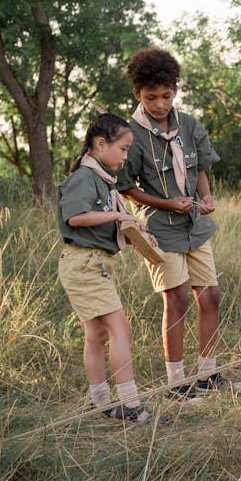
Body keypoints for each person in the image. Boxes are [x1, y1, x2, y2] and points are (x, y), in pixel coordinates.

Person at [117, 46, 228, 402]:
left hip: (195, 225)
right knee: (177, 299)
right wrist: (166, 203)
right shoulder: (130, 135)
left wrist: (205, 198)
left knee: (210, 295)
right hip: (160, 227)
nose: (160, 104)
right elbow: (126, 187)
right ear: (138, 94)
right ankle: (176, 384)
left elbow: (199, 172)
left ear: (175, 91)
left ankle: (208, 375)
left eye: (166, 96)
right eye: (151, 98)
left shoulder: (190, 125)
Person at [57, 112, 154, 424]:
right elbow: (75, 217)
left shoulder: (102, 180)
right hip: (84, 263)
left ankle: (100, 401)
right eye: (123, 149)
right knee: (120, 328)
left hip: (96, 262)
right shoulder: (82, 179)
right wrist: (115, 217)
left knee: (97, 334)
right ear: (100, 144)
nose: (125, 156)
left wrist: (134, 226)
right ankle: (130, 403)